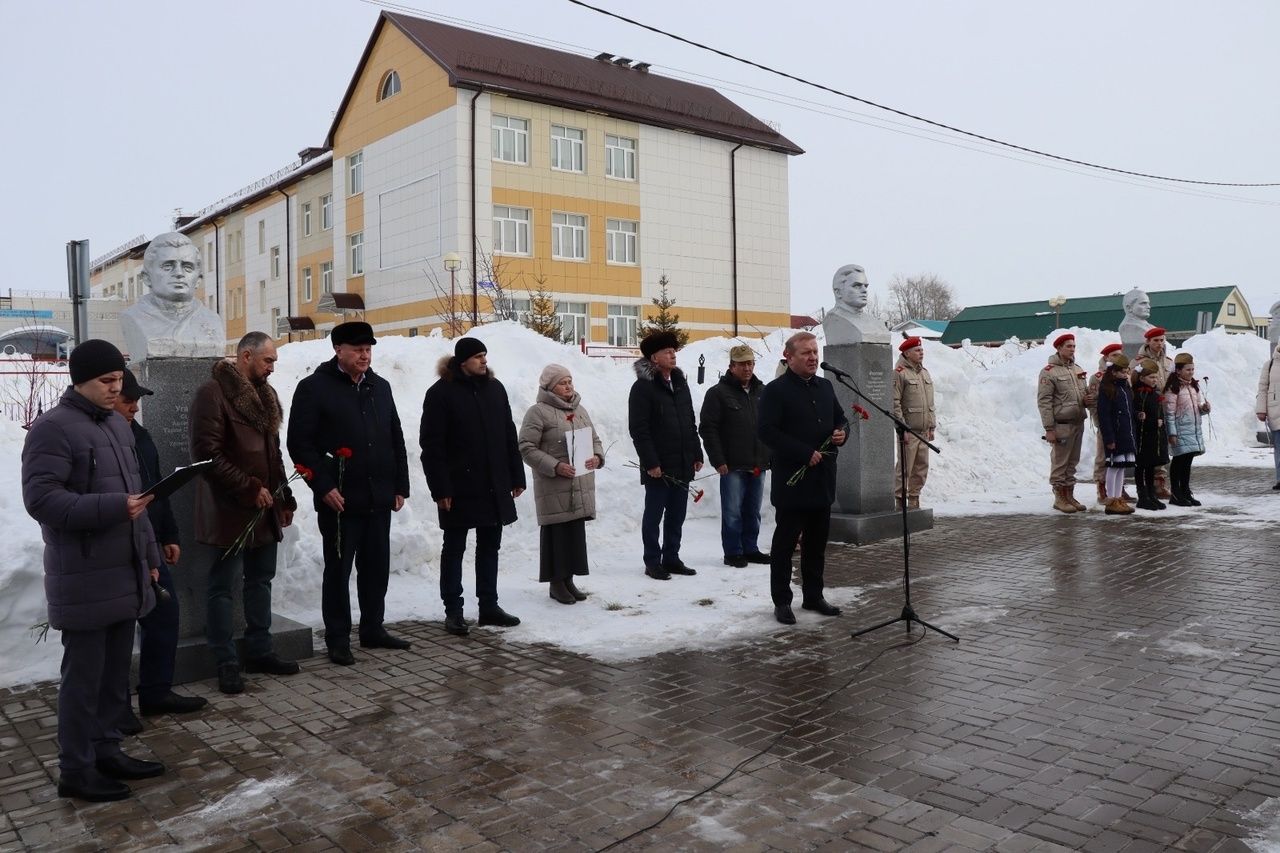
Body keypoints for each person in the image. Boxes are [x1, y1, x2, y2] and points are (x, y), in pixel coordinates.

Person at [21, 339, 165, 802]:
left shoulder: (118, 428)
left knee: (113, 675)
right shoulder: (53, 429)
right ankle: (76, 770)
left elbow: (137, 503)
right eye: (106, 381)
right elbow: (41, 500)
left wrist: (150, 560)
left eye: (119, 380)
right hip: (84, 575)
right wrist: (111, 508)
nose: (115, 389)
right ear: (78, 380)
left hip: (124, 571)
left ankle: (107, 749)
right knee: (82, 680)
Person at [287, 321, 411, 666]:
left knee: (376, 566)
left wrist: (400, 485)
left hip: (378, 496)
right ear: (338, 349)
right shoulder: (314, 388)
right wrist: (323, 485)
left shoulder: (379, 387)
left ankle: (373, 627)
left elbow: (395, 437)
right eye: (357, 349)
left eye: (368, 349)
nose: (364, 355)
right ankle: (338, 637)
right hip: (340, 500)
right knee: (339, 571)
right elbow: (300, 443)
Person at [190, 331, 300, 694]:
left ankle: (260, 651)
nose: (272, 368)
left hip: (265, 509)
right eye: (268, 360)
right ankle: (226, 663)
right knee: (222, 587)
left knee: (260, 582)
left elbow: (273, 455)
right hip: (229, 511)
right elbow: (207, 456)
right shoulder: (213, 393)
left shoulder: (266, 394)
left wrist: (284, 498)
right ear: (246, 356)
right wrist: (250, 488)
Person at [113, 371, 208, 721]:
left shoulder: (141, 435)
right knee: (119, 633)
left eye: (137, 401)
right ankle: (117, 707)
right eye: (128, 400)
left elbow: (157, 489)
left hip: (150, 543)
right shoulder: (101, 438)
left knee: (165, 616)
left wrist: (168, 535)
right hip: (119, 549)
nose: (134, 408)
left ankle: (156, 692)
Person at [421, 337, 526, 636]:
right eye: (478, 356)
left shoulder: (495, 389)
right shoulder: (440, 393)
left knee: (490, 546)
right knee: (454, 548)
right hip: (458, 486)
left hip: (493, 483)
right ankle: (453, 611)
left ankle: (488, 606)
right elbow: (432, 445)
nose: (483, 361)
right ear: (462, 360)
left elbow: (508, 433)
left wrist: (516, 475)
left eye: (485, 355)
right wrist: (440, 488)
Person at [758, 332, 848, 625]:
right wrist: (802, 452)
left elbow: (841, 418)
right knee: (785, 545)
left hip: (822, 478)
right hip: (792, 480)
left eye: (814, 352)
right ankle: (782, 601)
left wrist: (842, 433)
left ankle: (813, 595)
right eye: (806, 353)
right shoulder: (775, 391)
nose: (813, 358)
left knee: (817, 543)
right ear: (789, 357)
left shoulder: (825, 386)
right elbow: (767, 432)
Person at [518, 364, 605, 604]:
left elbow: (595, 439)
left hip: (579, 482)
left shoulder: (580, 409)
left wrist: (597, 457)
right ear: (549, 387)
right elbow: (526, 447)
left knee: (574, 533)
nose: (568, 386)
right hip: (554, 484)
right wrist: (555, 466)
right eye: (562, 382)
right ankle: (556, 583)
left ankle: (568, 580)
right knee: (557, 533)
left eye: (570, 381)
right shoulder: (538, 412)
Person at [628, 331, 704, 580]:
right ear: (654, 357)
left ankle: (671, 557)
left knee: (677, 515)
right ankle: (652, 561)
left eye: (674, 350)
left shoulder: (680, 384)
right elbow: (639, 429)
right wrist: (650, 462)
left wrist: (696, 452)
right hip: (658, 466)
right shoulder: (643, 388)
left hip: (682, 463)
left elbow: (690, 422)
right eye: (667, 351)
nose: (673, 354)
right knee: (654, 515)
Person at [699, 345, 770, 568]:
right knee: (732, 512)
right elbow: (708, 429)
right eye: (742, 364)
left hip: (758, 463)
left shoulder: (762, 391)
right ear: (731, 367)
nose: (747, 368)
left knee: (753, 511)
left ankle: (750, 548)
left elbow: (772, 425)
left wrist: (770, 455)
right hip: (732, 465)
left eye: (750, 364)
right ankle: (733, 552)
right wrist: (718, 460)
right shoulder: (717, 394)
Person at [119, 232, 225, 361]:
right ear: (147, 277)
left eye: (187, 267)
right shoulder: (134, 316)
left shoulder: (212, 320)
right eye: (168, 266)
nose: (179, 273)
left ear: (198, 279)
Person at [1036, 333, 1094, 513]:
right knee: (1060, 462)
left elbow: (1082, 394)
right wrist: (1049, 428)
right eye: (1068, 346)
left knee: (1072, 462)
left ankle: (1069, 494)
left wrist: (1088, 400)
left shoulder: (1077, 369)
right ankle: (1059, 497)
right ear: (1059, 348)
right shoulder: (1049, 371)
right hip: (1061, 424)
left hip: (1078, 421)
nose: (1072, 349)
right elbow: (1044, 402)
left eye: (1074, 346)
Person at [891, 336, 936, 510]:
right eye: (917, 350)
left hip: (923, 430)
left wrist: (931, 426)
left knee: (921, 467)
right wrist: (903, 428)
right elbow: (894, 402)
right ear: (907, 353)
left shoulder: (924, 372)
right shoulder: (899, 372)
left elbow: (930, 402)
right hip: (909, 431)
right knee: (905, 468)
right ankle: (900, 501)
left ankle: (914, 498)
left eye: (922, 350)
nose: (921, 353)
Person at [1087, 343, 1132, 505]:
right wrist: (1099, 423)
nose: (1117, 357)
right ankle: (1102, 488)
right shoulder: (1098, 377)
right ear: (1106, 358)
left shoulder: (1124, 375)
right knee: (1103, 458)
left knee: (1121, 458)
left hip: (1122, 426)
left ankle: (1119, 489)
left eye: (1119, 354)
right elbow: (1094, 403)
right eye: (1114, 355)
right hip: (1106, 424)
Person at [1164, 352, 1210, 506]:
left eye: (1192, 369)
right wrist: (1172, 433)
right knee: (1178, 461)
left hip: (1192, 429)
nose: (1191, 372)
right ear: (1178, 370)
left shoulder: (1193, 386)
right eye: (1187, 370)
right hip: (1179, 430)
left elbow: (1196, 408)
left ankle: (1185, 491)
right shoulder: (1173, 388)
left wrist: (1204, 409)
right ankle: (1175, 493)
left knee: (1187, 461)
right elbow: (1169, 413)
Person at [1094, 355, 1136, 515]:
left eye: (1126, 371)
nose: (1125, 374)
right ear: (1113, 372)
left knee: (1121, 468)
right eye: (1122, 372)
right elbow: (1104, 417)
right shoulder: (1106, 389)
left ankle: (1118, 498)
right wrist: (1109, 438)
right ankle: (1111, 500)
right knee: (1113, 467)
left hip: (1126, 434)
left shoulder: (1124, 388)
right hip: (1115, 435)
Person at [1137, 327, 1175, 499]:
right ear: (1148, 342)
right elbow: (1135, 384)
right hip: (1147, 407)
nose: (1159, 344)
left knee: (1161, 446)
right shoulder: (1139, 361)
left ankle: (1160, 483)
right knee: (1149, 448)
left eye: (1162, 340)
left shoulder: (1168, 361)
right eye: (1155, 341)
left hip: (1163, 407)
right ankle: (1147, 488)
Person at [1131, 358, 1169, 510]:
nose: (1155, 380)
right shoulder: (1139, 394)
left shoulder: (1154, 393)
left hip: (1154, 437)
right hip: (1144, 438)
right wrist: (1154, 422)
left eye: (1156, 377)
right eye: (1151, 377)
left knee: (1151, 467)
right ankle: (1142, 496)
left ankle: (1151, 494)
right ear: (1141, 378)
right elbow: (1139, 417)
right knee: (1141, 466)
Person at [1256, 339, 1280, 490]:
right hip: (1276, 411)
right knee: (1279, 447)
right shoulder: (1270, 365)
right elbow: (1262, 388)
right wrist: (1261, 409)